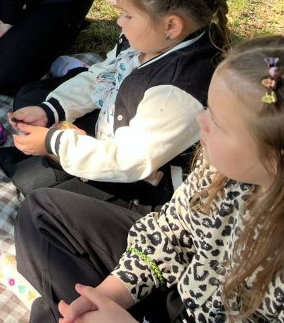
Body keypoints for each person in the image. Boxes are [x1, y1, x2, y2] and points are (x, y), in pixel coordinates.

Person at [15, 35, 284, 323]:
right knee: (40, 212)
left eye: (217, 121)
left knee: (48, 312)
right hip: (181, 290)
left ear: (274, 154)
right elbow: (170, 234)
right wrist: (103, 297)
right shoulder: (219, 169)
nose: (200, 121)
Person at [0, 0, 231, 213]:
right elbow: (103, 75)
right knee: (30, 97)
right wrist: (51, 110)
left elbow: (129, 161)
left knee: (39, 194)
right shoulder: (150, 39)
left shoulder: (177, 90)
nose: (120, 22)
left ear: (171, 25)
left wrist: (55, 142)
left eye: (128, 15)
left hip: (141, 184)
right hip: (114, 124)